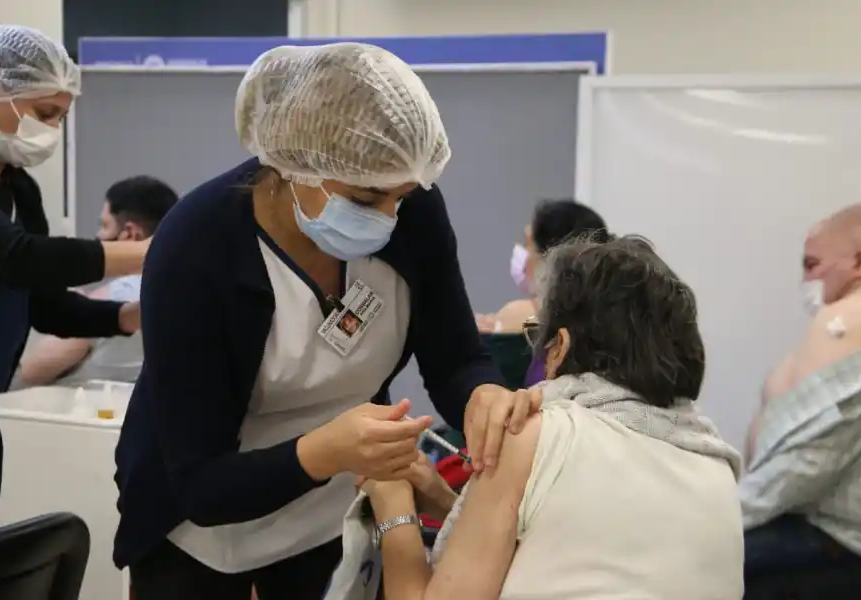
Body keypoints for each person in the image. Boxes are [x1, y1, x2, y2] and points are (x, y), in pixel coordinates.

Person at [114, 43, 540, 600]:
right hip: (201, 534)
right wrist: (325, 450)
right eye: (367, 198)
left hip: (334, 517)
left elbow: (456, 357)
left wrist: (483, 394)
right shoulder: (196, 248)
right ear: (297, 166)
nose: (390, 217)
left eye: (402, 197)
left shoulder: (410, 212)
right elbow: (200, 484)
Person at [360, 235, 744, 600]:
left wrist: (392, 503)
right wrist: (446, 501)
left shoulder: (537, 435)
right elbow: (569, 551)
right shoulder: (716, 468)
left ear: (559, 346)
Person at [0, 25, 146, 520]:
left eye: (61, 118)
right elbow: (21, 257)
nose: (53, 131)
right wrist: (149, 252)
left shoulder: (20, 190)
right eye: (44, 115)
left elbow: (45, 302)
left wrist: (126, 316)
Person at [741, 203, 861, 590]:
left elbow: (812, 456)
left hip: (847, 547)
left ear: (860, 263)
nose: (805, 280)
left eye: (812, 265)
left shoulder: (854, 316)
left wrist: (721, 518)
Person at [17, 176, 178, 387]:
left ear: (131, 234)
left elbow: (28, 373)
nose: (98, 235)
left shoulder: (110, 296)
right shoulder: (178, 296)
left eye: (104, 225)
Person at [476, 198, 611, 337]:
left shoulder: (523, 316)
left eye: (527, 243)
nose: (521, 252)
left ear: (550, 257)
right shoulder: (611, 319)